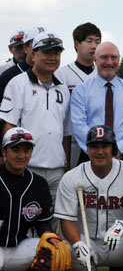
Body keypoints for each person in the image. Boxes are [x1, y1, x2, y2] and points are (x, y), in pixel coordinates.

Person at [54, 125, 123, 271]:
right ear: (87, 149)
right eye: (94, 146)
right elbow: (66, 220)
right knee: (64, 246)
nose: (100, 151)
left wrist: (122, 224)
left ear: (114, 149)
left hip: (118, 243)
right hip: (87, 243)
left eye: (105, 146)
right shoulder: (72, 177)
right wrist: (77, 243)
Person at [0, 31, 70, 203]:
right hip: (26, 166)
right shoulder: (17, 83)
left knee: (53, 224)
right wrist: (7, 162)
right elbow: (7, 126)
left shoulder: (62, 88)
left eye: (56, 53)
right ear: (33, 54)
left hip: (57, 169)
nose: (52, 58)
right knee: (25, 218)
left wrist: (67, 165)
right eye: (46, 52)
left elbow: (66, 133)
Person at [0, 127, 63, 271]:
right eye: (16, 150)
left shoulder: (38, 184)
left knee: (50, 250)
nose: (22, 155)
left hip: (19, 249)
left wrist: (49, 236)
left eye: (26, 150)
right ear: (4, 151)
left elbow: (43, 222)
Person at [71, 41, 123, 165]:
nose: (109, 62)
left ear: (119, 59)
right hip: (91, 157)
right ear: (95, 59)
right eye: (104, 57)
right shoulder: (81, 91)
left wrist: (118, 148)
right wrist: (99, 150)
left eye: (114, 57)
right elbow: (79, 126)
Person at [56, 22, 102, 168]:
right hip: (70, 141)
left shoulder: (104, 74)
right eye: (89, 41)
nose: (94, 46)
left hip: (99, 142)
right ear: (77, 44)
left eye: (97, 41)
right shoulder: (62, 74)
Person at [0, 26, 44, 105]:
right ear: (10, 48)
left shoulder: (47, 70)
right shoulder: (3, 72)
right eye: (18, 47)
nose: (23, 51)